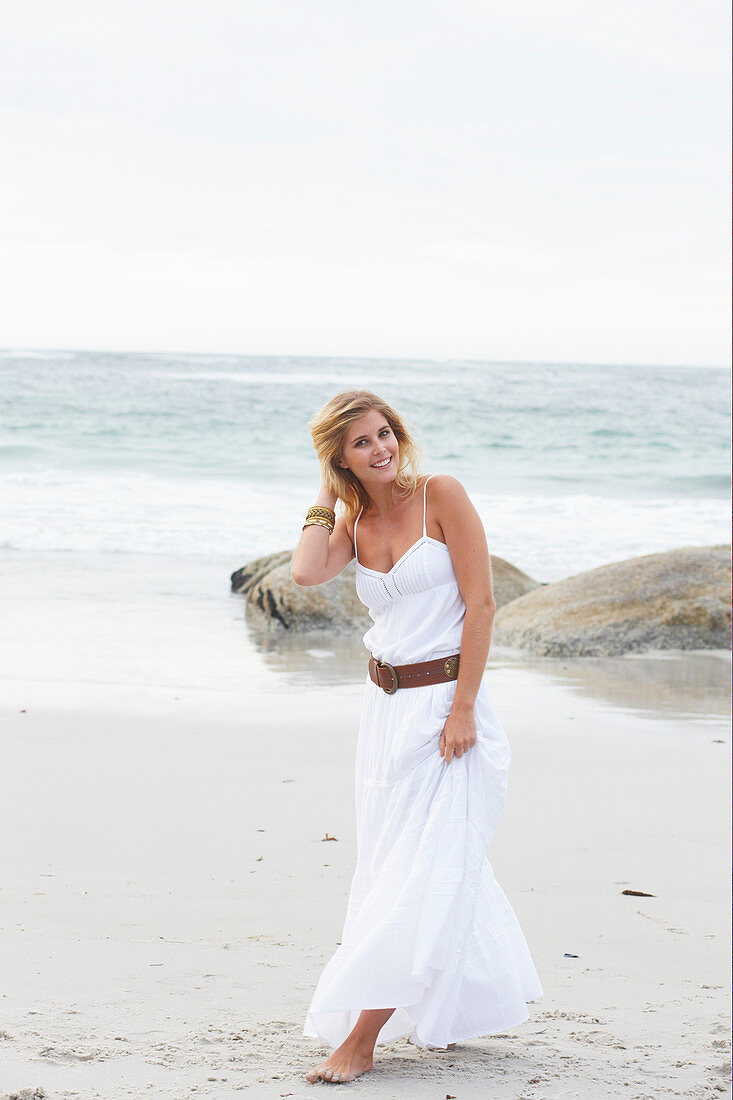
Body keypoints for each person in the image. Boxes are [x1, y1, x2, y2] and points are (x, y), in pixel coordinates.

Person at [291, 390, 542, 1085]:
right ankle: (461, 1005)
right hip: (384, 714)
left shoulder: (440, 494)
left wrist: (462, 709)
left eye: (384, 434)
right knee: (399, 862)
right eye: (361, 444)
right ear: (341, 459)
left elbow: (481, 603)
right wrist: (324, 493)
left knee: (422, 866)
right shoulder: (354, 518)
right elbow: (306, 572)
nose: (381, 449)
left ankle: (364, 1036)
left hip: (445, 709)